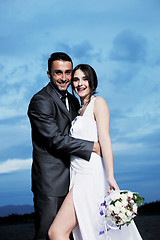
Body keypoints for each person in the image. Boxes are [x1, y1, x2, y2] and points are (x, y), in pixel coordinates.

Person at [48, 64, 143, 240]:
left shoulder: (98, 103)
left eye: (84, 78)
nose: (80, 83)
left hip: (90, 176)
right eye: (76, 79)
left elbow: (105, 139)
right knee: (89, 231)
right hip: (77, 175)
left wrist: (110, 176)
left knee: (56, 232)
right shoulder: (78, 110)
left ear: (92, 81)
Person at [28, 53, 100, 240]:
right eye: (58, 73)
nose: (64, 78)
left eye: (68, 72)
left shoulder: (74, 99)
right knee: (47, 234)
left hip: (75, 178)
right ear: (49, 73)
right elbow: (55, 139)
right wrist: (92, 146)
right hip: (50, 183)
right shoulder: (40, 101)